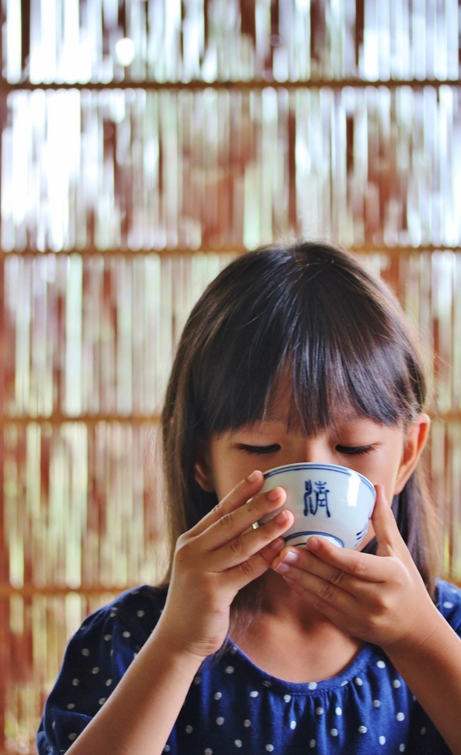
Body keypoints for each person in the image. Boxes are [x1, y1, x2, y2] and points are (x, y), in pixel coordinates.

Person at [37, 241, 461, 755]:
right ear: (200, 458)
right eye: (261, 447)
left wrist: (419, 642)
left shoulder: (445, 629)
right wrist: (179, 645)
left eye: (353, 446)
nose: (309, 480)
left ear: (407, 454)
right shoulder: (131, 641)